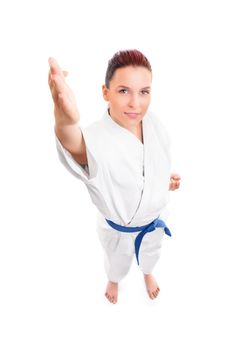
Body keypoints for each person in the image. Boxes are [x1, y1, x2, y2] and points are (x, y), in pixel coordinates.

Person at [48, 50, 181, 304]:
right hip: (118, 230)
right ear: (105, 92)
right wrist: (64, 118)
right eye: (123, 91)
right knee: (116, 261)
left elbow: (151, 166)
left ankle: (147, 271)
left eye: (144, 91)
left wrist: (163, 182)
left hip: (153, 220)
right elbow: (74, 142)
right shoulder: (96, 139)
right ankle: (114, 278)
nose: (135, 103)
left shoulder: (154, 124)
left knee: (152, 253)